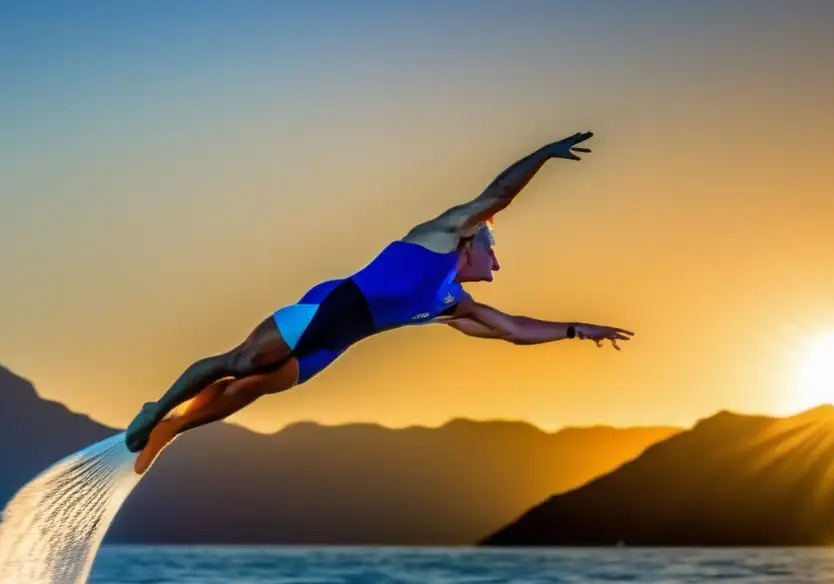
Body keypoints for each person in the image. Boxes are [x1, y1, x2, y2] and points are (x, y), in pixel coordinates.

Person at [125, 131, 633, 474]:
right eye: (493, 254)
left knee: (252, 389)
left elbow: (516, 330)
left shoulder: (454, 304)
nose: (495, 266)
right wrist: (544, 154)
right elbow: (499, 193)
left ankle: (173, 429)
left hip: (338, 342)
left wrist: (575, 329)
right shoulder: (439, 236)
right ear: (474, 242)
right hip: (324, 310)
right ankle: (159, 409)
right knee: (244, 361)